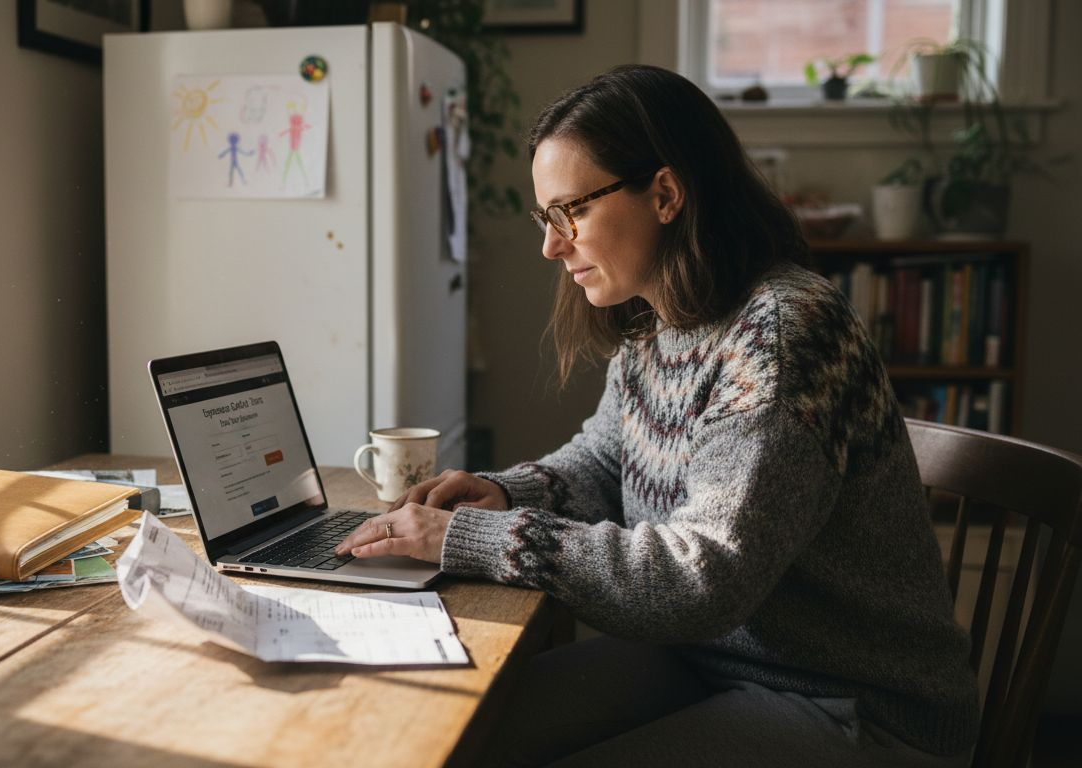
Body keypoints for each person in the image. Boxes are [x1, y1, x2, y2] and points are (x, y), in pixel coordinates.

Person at [335, 64, 978, 766]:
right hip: (706, 662)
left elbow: (700, 579)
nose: (552, 245)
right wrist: (504, 493)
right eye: (545, 217)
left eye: (569, 212)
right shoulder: (660, 321)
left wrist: (475, 538)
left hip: (854, 706)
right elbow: (603, 462)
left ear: (665, 193)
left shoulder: (783, 334)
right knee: (462, 734)